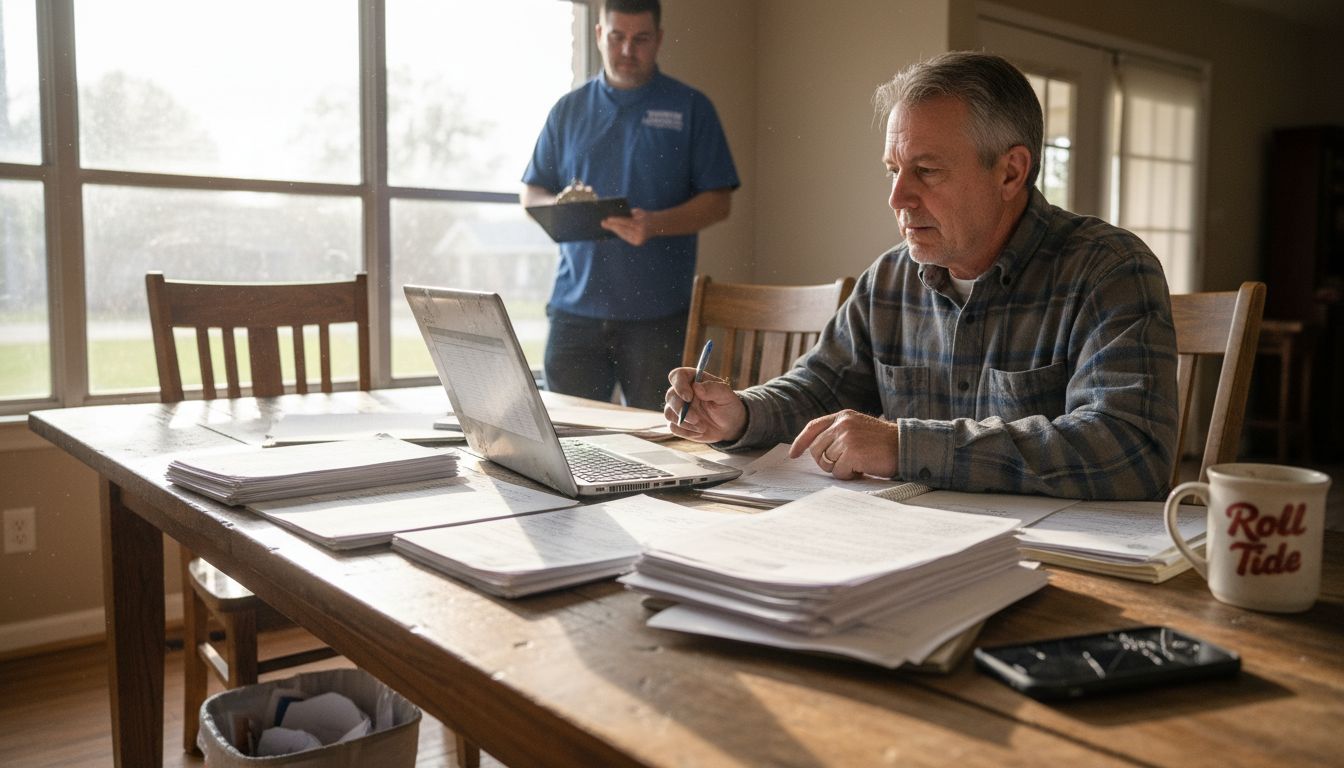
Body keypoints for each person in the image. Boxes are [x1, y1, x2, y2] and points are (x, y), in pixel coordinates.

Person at [666, 51, 1179, 500]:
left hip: (1058, 569)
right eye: (894, 170)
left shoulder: (1108, 269)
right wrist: (742, 415)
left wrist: (904, 445)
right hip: (910, 550)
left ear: (1010, 172)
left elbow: (1130, 448)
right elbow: (819, 389)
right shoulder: (890, 278)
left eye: (927, 171)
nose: (897, 198)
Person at [522, 0, 739, 410]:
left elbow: (719, 202)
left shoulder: (691, 107)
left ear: (658, 39)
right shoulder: (567, 111)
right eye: (617, 37)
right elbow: (531, 193)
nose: (627, 50)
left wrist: (655, 224)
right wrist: (560, 206)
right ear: (600, 35)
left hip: (658, 315)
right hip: (574, 312)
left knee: (659, 442)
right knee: (568, 443)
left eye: (640, 40)